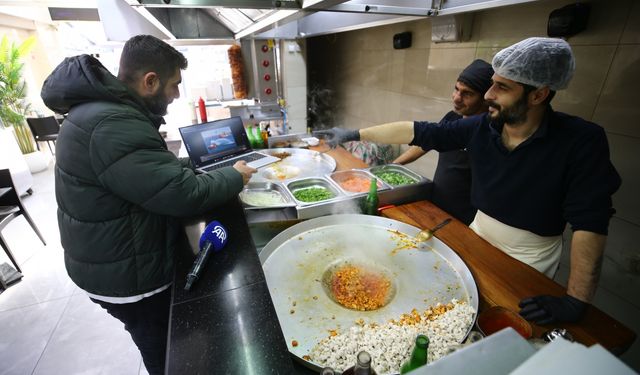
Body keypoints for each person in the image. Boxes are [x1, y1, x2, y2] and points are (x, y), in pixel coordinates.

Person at [316, 37, 621, 325]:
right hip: (475, 233)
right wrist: (356, 134)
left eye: (502, 87)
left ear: (538, 94)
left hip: (529, 256)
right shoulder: (484, 127)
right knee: (450, 305)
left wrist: (576, 300)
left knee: (502, 318)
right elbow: (423, 132)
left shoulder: (580, 141)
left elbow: (590, 224)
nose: (489, 95)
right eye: (491, 85)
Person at [40, 35, 256, 374]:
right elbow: (181, 194)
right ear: (150, 81)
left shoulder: (104, 111)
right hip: (128, 276)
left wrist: (196, 168)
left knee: (167, 338)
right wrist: (234, 177)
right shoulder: (113, 123)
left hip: (110, 258)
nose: (176, 95)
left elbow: (150, 171)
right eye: (174, 85)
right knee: (163, 352)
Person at [393, 59, 493, 224]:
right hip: (437, 204)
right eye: (456, 89)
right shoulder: (452, 118)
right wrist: (393, 165)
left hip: (467, 217)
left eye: (467, 93)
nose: (456, 98)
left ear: (485, 99)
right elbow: (424, 145)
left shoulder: (489, 131)